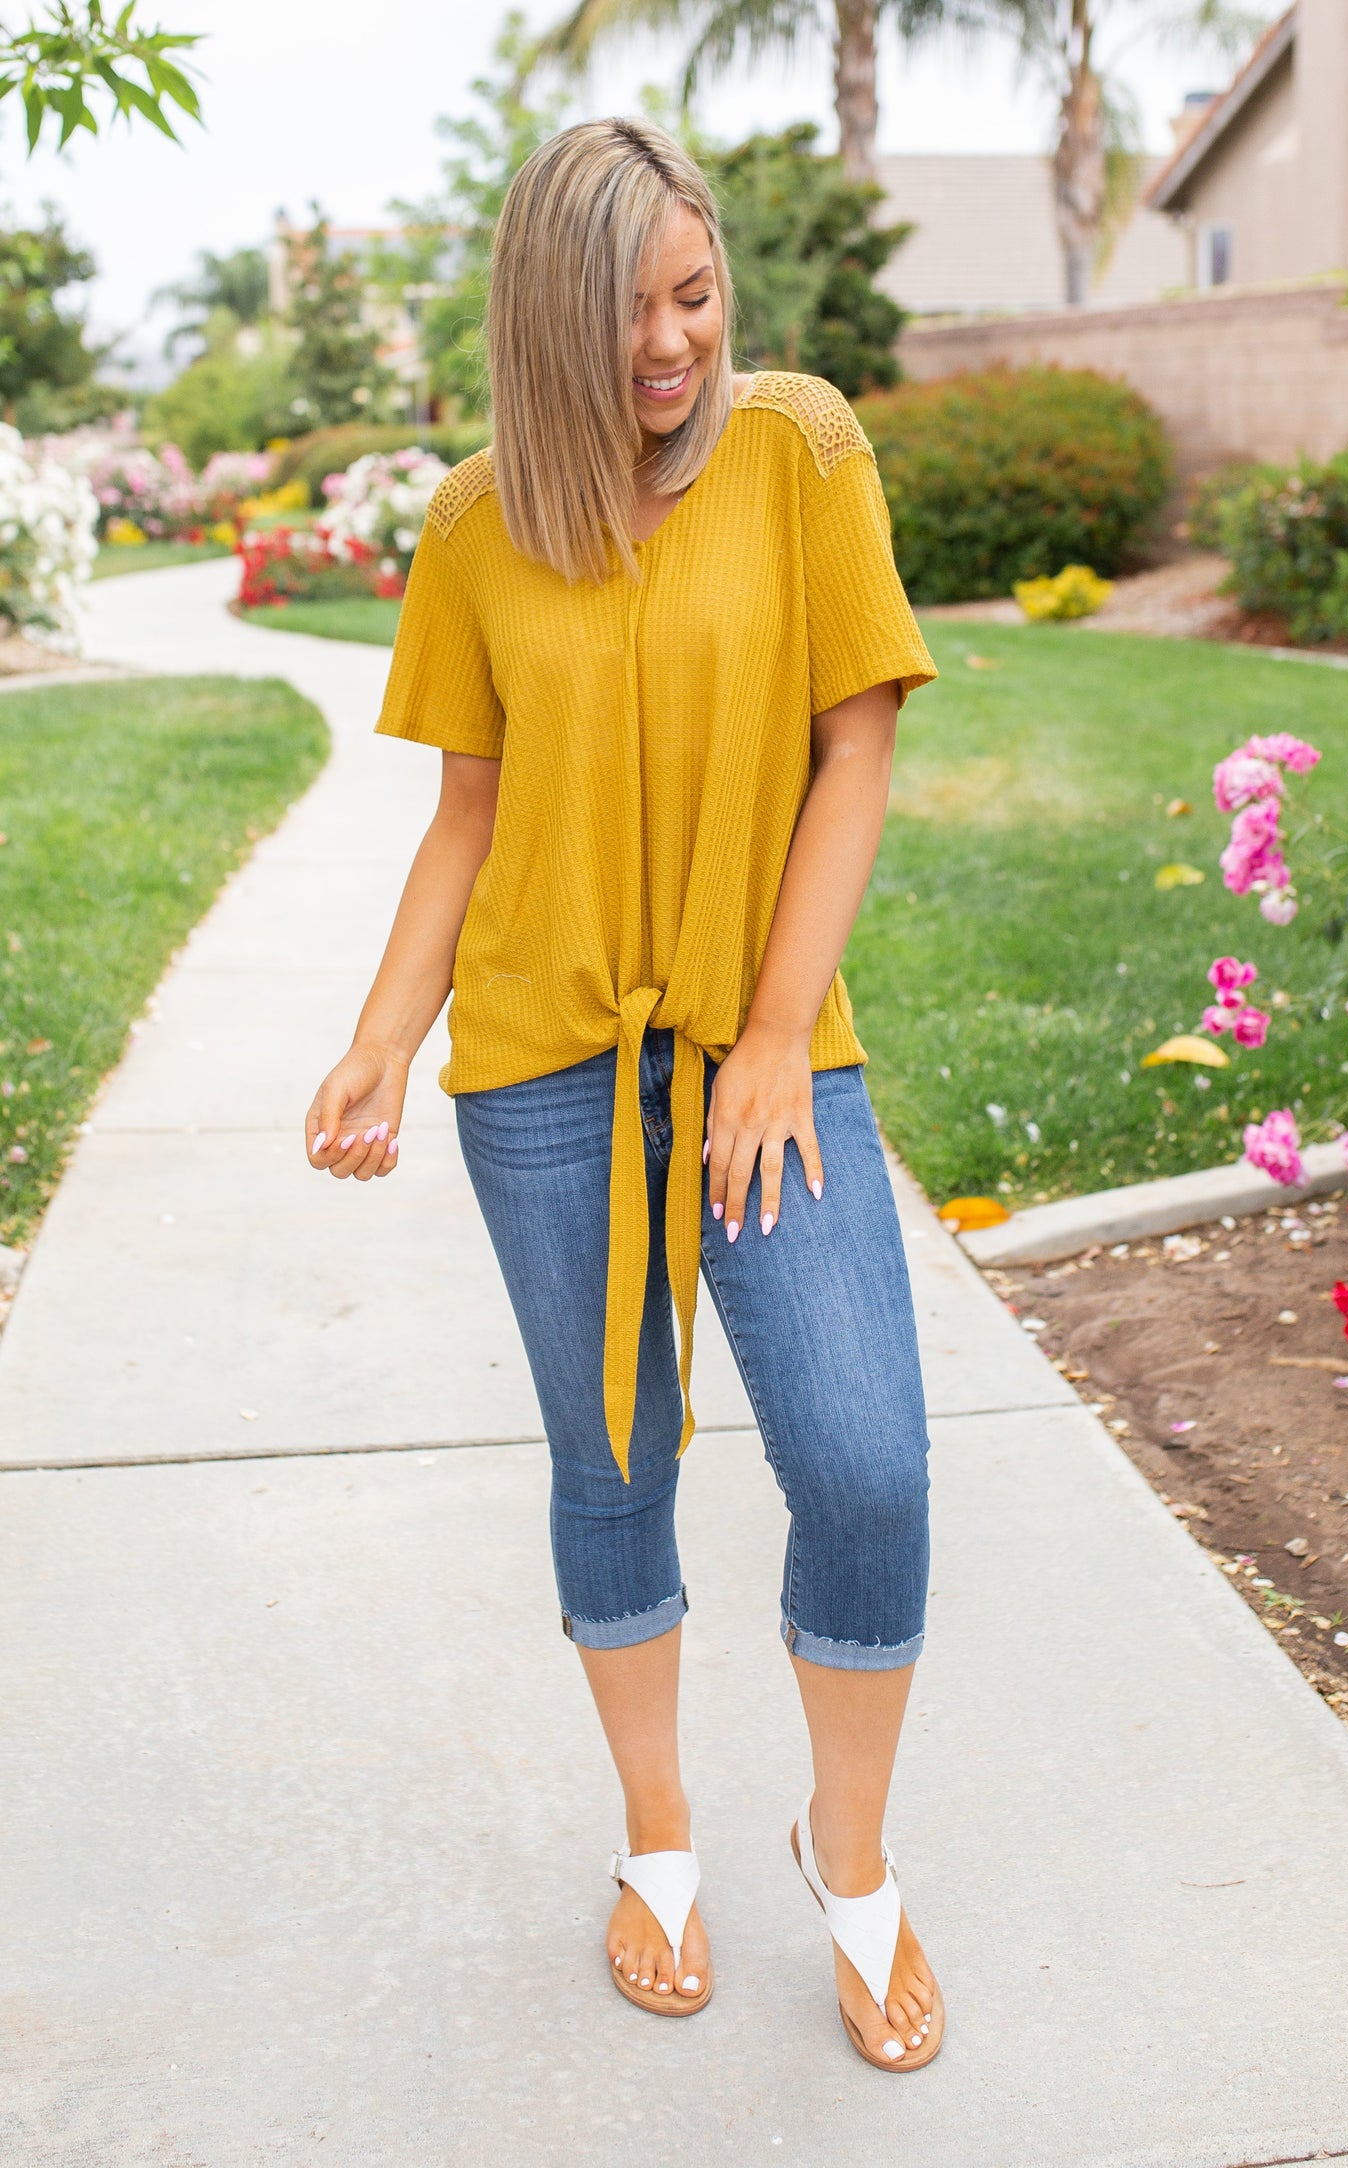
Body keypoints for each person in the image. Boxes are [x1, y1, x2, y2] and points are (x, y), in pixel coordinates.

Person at [305, 116, 942, 2073]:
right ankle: (656, 1846)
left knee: (864, 1460)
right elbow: (467, 820)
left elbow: (856, 751)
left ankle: (848, 1856)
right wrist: (380, 1035)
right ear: (539, 318)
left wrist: (770, 1034)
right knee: (616, 1463)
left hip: (766, 1052)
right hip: (550, 1069)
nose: (671, 345)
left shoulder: (802, 448)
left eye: (696, 294)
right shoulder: (483, 524)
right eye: (625, 312)